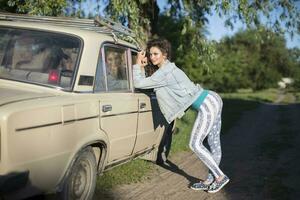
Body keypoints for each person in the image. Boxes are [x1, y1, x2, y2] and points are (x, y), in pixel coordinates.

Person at [132, 38, 229, 193]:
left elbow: (139, 84)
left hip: (207, 103)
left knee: (195, 144)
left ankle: (219, 177)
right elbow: (149, 83)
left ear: (164, 54)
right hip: (211, 99)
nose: (152, 57)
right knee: (213, 142)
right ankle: (210, 180)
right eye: (150, 54)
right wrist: (143, 69)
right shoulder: (167, 69)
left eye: (156, 54)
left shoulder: (164, 72)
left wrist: (137, 64)